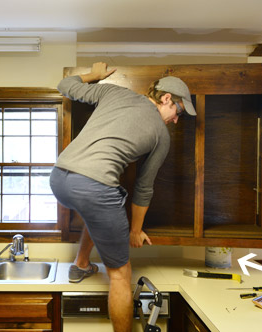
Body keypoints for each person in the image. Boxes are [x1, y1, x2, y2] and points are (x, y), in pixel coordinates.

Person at [50, 62, 196, 332]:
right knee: (120, 274)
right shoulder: (161, 135)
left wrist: (93, 75)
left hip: (59, 179)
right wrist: (135, 230)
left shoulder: (114, 94)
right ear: (166, 99)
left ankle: (80, 264)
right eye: (179, 112)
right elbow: (144, 187)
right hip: (93, 187)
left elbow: (66, 86)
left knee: (102, 209)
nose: (176, 120)